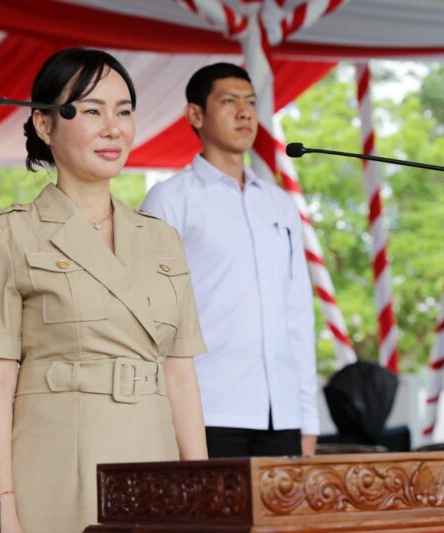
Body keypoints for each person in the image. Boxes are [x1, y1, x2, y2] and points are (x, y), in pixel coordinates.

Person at [0, 48, 208, 533]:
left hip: (154, 463)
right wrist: (2, 503)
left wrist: (202, 489)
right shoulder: (11, 233)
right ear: (45, 126)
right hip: (58, 467)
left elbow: (180, 375)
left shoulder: (161, 238)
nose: (113, 128)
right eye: (92, 110)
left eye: (125, 112)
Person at [141, 63, 320, 459]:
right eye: (229, 101)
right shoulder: (170, 200)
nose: (245, 112)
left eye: (251, 102)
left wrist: (309, 420)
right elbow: (153, 320)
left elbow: (299, 314)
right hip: (207, 410)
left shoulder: (278, 203)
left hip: (283, 414)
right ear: (195, 114)